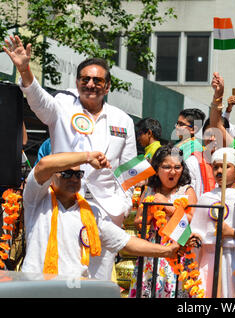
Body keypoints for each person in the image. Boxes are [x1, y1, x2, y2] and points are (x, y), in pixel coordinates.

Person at [4, 36, 137, 280]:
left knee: (97, 281)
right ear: (77, 83)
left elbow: (129, 173)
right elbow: (39, 102)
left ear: (107, 87)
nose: (90, 84)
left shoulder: (123, 120)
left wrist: (124, 205)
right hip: (64, 204)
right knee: (60, 273)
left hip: (105, 213)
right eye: (85, 79)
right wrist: (24, 70)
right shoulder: (63, 105)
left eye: (97, 80)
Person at [21, 151, 197, 278]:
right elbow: (43, 165)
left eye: (78, 174)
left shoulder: (90, 212)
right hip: (36, 285)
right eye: (67, 173)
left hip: (74, 288)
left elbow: (124, 242)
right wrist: (88, 157)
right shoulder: (37, 199)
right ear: (52, 177)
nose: (74, 179)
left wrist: (165, 251)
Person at [129, 145, 197, 298]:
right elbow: (138, 221)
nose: (172, 172)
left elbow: (192, 221)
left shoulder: (187, 190)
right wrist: (150, 213)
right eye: (166, 167)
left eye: (177, 167)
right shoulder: (149, 190)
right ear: (157, 169)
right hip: (152, 249)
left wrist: (166, 206)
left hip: (177, 249)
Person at [190, 147, 235, 298]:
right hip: (209, 257)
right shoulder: (205, 198)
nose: (219, 171)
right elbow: (197, 229)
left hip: (234, 256)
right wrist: (195, 238)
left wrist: (233, 233)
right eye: (216, 167)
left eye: (225, 166)